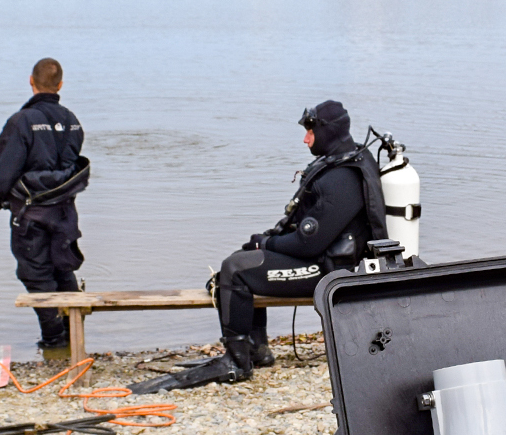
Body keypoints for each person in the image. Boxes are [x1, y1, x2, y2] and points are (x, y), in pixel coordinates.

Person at [134, 100, 384, 392]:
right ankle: (256, 350)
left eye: (310, 132)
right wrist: (264, 242)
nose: (305, 139)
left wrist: (266, 242)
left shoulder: (341, 178)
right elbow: (304, 229)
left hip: (329, 273)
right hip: (329, 260)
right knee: (244, 260)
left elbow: (307, 244)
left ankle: (236, 362)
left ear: (327, 132)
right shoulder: (344, 160)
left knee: (235, 270)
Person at [0, 57, 88, 351]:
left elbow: (4, 171)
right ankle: (72, 335)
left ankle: (54, 340)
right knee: (62, 269)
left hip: (31, 215)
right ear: (60, 85)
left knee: (36, 274)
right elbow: (69, 168)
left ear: (31, 81)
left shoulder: (21, 121)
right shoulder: (72, 120)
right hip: (65, 213)